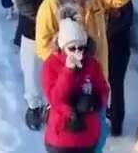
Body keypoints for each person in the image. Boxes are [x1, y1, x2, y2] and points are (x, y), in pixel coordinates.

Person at [36, 0, 132, 82]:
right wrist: (65, 64)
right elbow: (42, 45)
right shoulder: (52, 4)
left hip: (97, 74)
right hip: (67, 79)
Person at [42, 12, 109, 153]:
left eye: (81, 47)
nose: (77, 52)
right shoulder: (51, 65)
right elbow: (55, 98)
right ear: (62, 47)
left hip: (88, 137)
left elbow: (103, 90)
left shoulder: (92, 64)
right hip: (61, 138)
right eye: (72, 48)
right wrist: (68, 70)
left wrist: (95, 102)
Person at [14, 0, 53, 131]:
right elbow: (22, 4)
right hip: (31, 31)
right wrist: (45, 15)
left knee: (51, 69)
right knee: (31, 70)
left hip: (53, 32)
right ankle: (33, 106)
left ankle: (51, 105)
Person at [95, 0, 133, 137]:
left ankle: (117, 124)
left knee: (117, 87)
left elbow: (127, 19)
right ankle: (99, 119)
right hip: (98, 49)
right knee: (98, 86)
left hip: (117, 48)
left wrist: (106, 32)